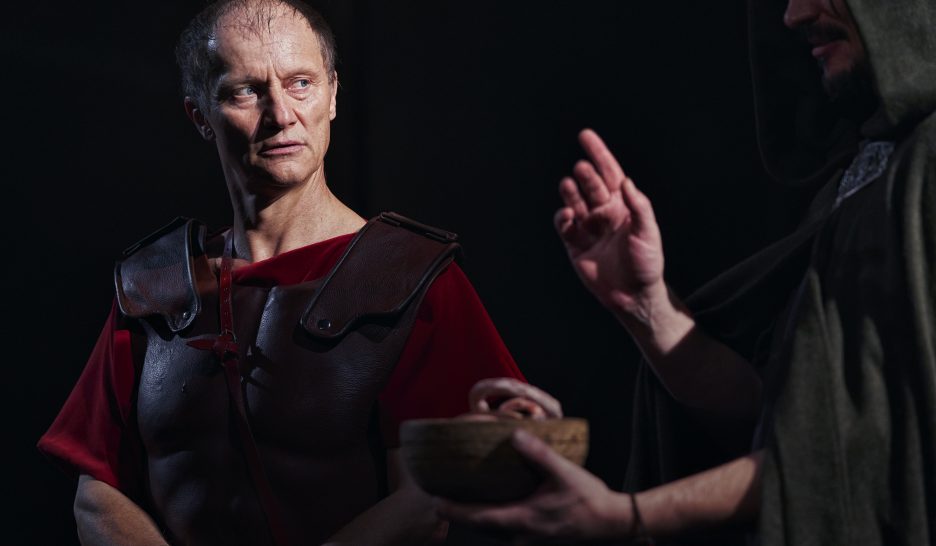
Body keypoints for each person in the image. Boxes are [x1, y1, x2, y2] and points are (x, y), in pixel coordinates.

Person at [35, 1, 549, 544]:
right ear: (200, 116)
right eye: (245, 91)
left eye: (300, 83)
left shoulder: (413, 277)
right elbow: (98, 492)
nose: (281, 114)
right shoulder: (154, 285)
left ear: (333, 94)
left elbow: (432, 499)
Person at [438, 0, 936, 543]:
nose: (793, 15)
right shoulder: (871, 170)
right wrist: (648, 307)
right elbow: (777, 420)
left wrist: (630, 515)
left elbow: (873, 456)